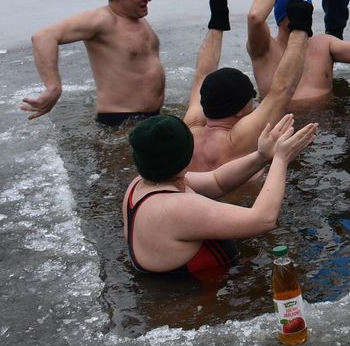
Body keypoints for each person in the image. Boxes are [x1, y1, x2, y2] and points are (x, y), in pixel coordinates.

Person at [122, 112, 317, 276]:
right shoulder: (177, 207)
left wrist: (262, 156)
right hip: (199, 306)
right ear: (187, 155)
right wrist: (281, 160)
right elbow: (263, 219)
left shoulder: (140, 184)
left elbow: (217, 181)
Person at [23, 0, 164, 126]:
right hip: (120, 122)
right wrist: (53, 88)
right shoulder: (102, 20)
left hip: (151, 118)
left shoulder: (137, 18)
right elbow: (43, 37)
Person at [183, 0, 311, 172]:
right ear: (240, 110)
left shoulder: (191, 128)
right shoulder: (238, 139)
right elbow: (283, 90)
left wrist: (216, 25)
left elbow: (202, 75)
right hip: (236, 198)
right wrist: (301, 29)